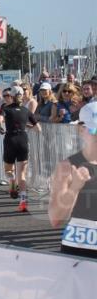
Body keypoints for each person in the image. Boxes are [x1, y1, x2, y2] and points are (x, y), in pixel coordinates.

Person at [49, 101, 97, 258]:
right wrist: (74, 188)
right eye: (94, 129)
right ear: (81, 130)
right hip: (79, 253)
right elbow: (55, 219)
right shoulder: (67, 167)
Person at [0, 86, 40, 212]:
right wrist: (27, 127)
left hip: (10, 139)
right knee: (22, 174)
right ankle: (23, 201)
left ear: (11, 96)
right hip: (23, 140)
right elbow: (38, 128)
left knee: (9, 170)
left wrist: (0, 127)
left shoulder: (6, 108)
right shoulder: (26, 110)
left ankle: (11, 181)